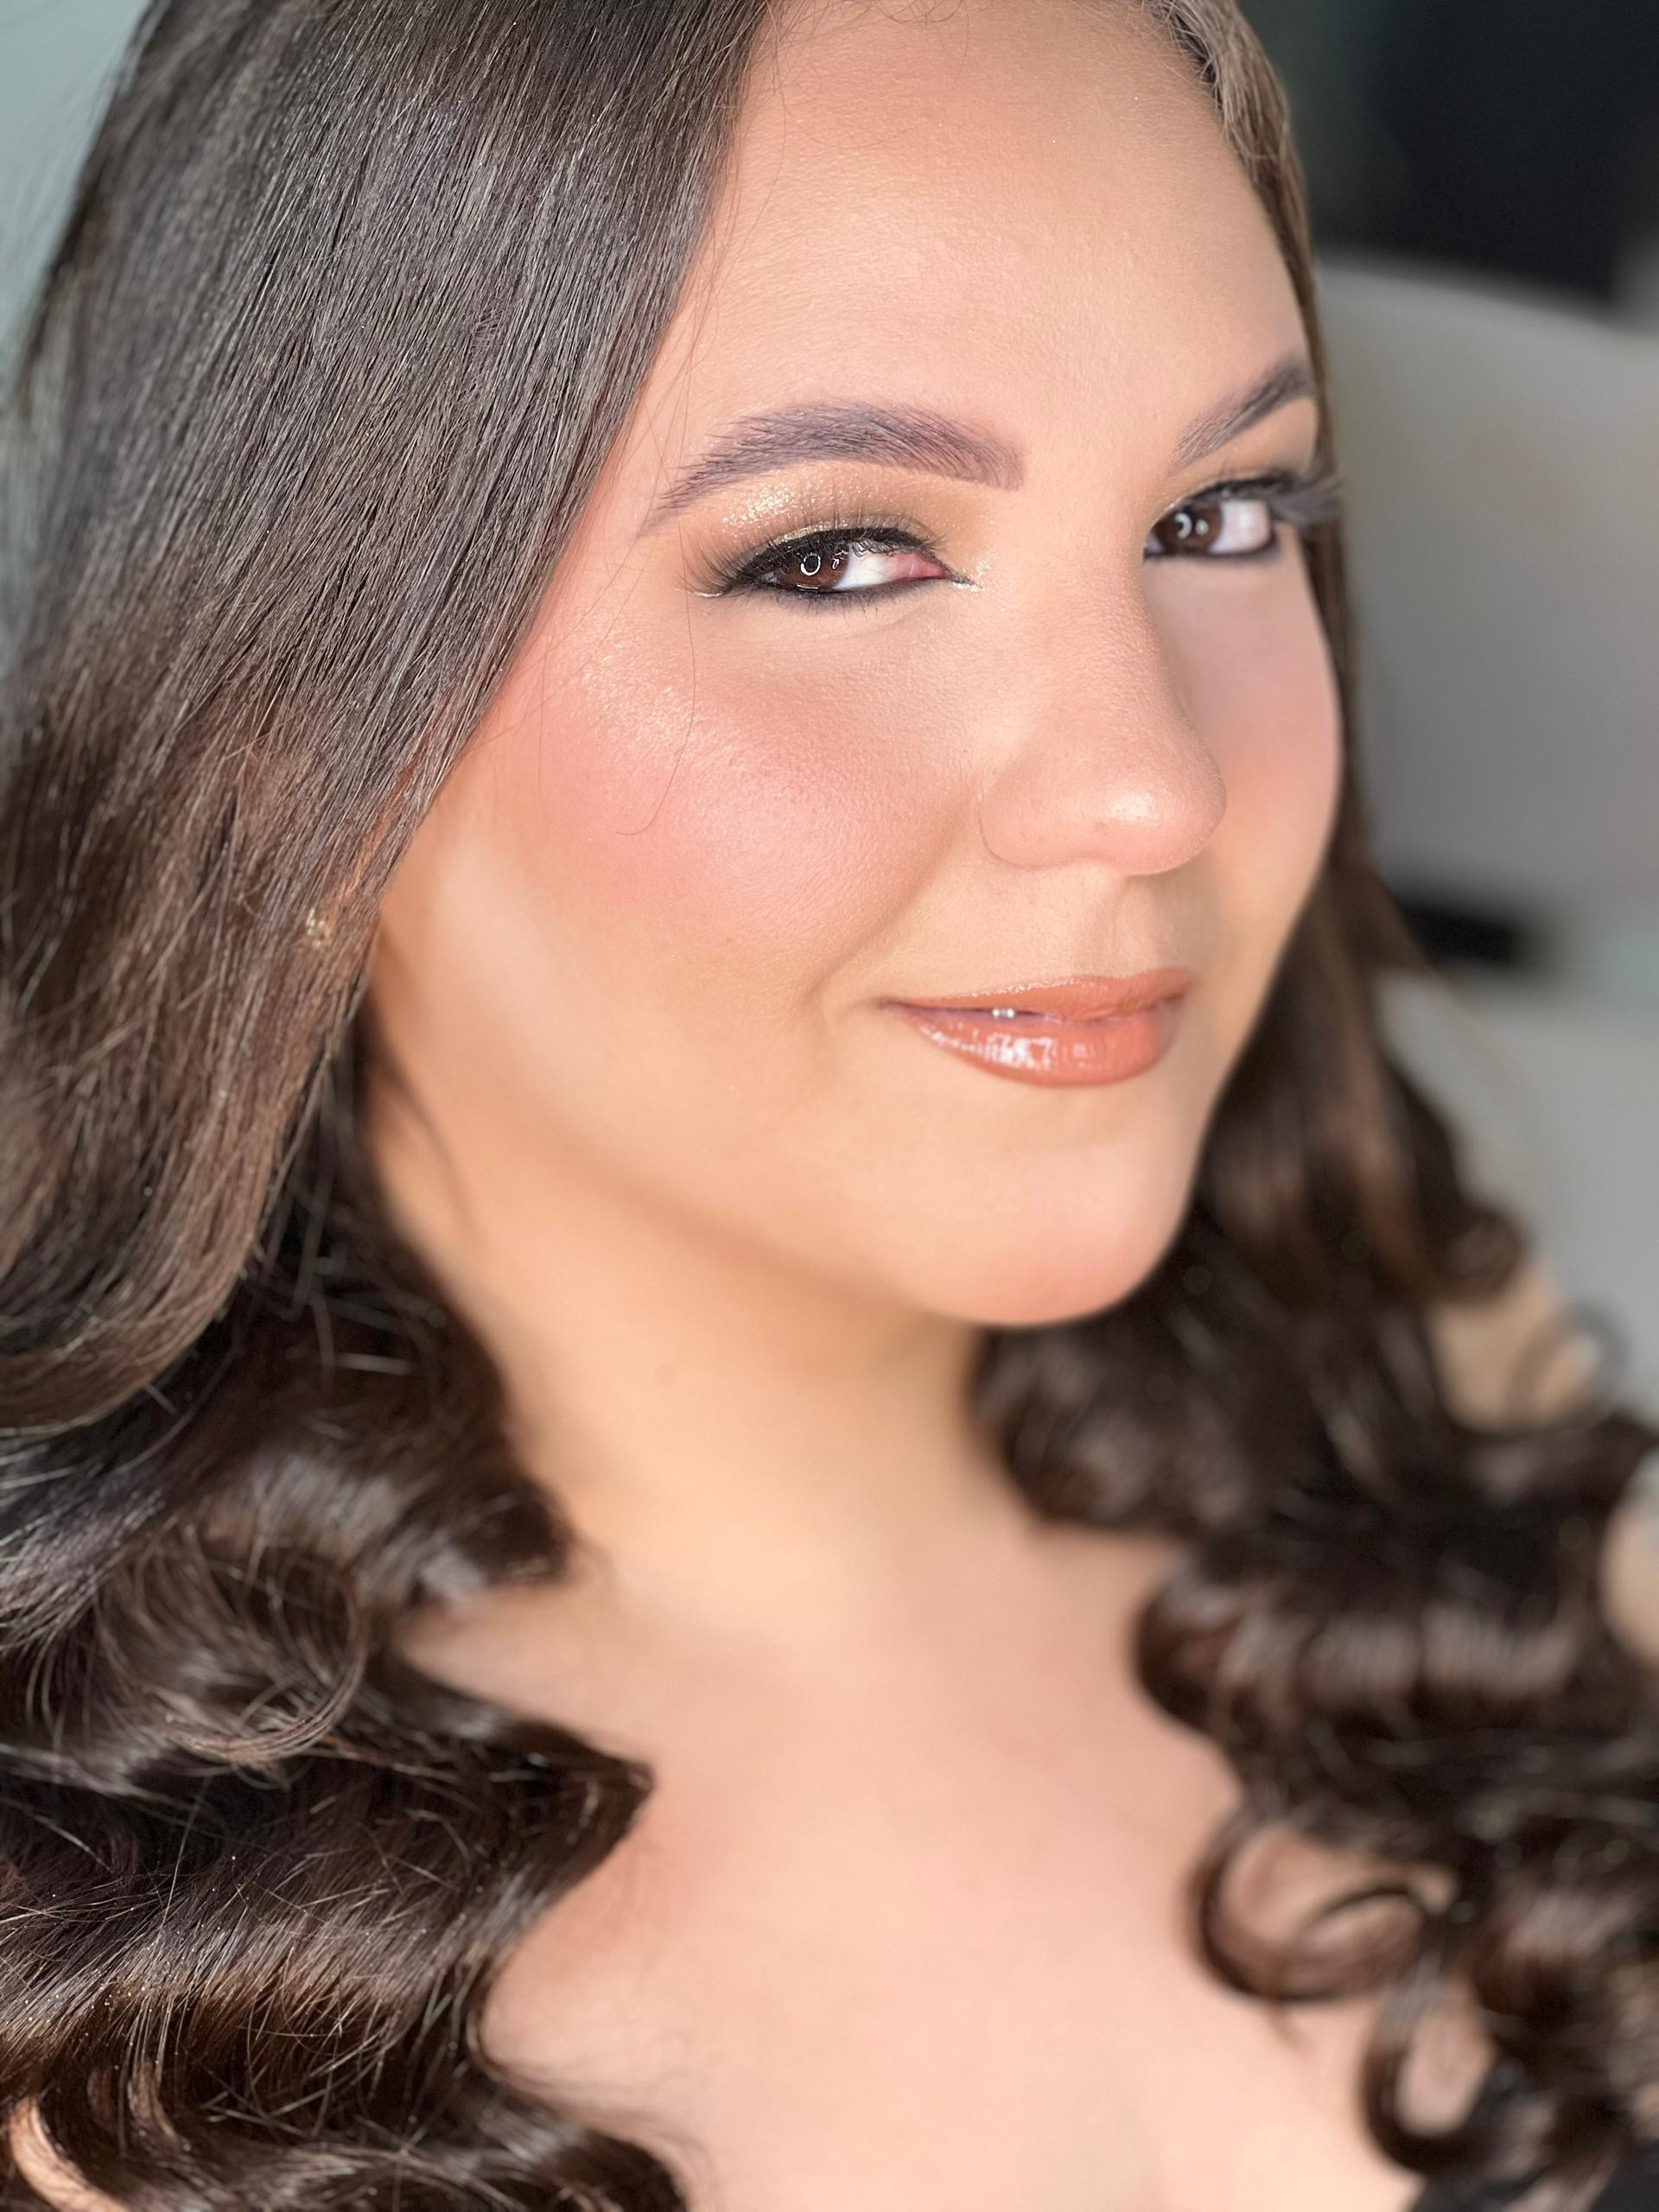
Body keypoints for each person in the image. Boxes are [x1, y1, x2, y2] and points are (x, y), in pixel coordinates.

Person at [2, 3, 1656, 2209]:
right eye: (838, 556)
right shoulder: (64, 1960)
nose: (1153, 787)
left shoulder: (1486, 1463)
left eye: (1222, 510)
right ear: (281, 735)